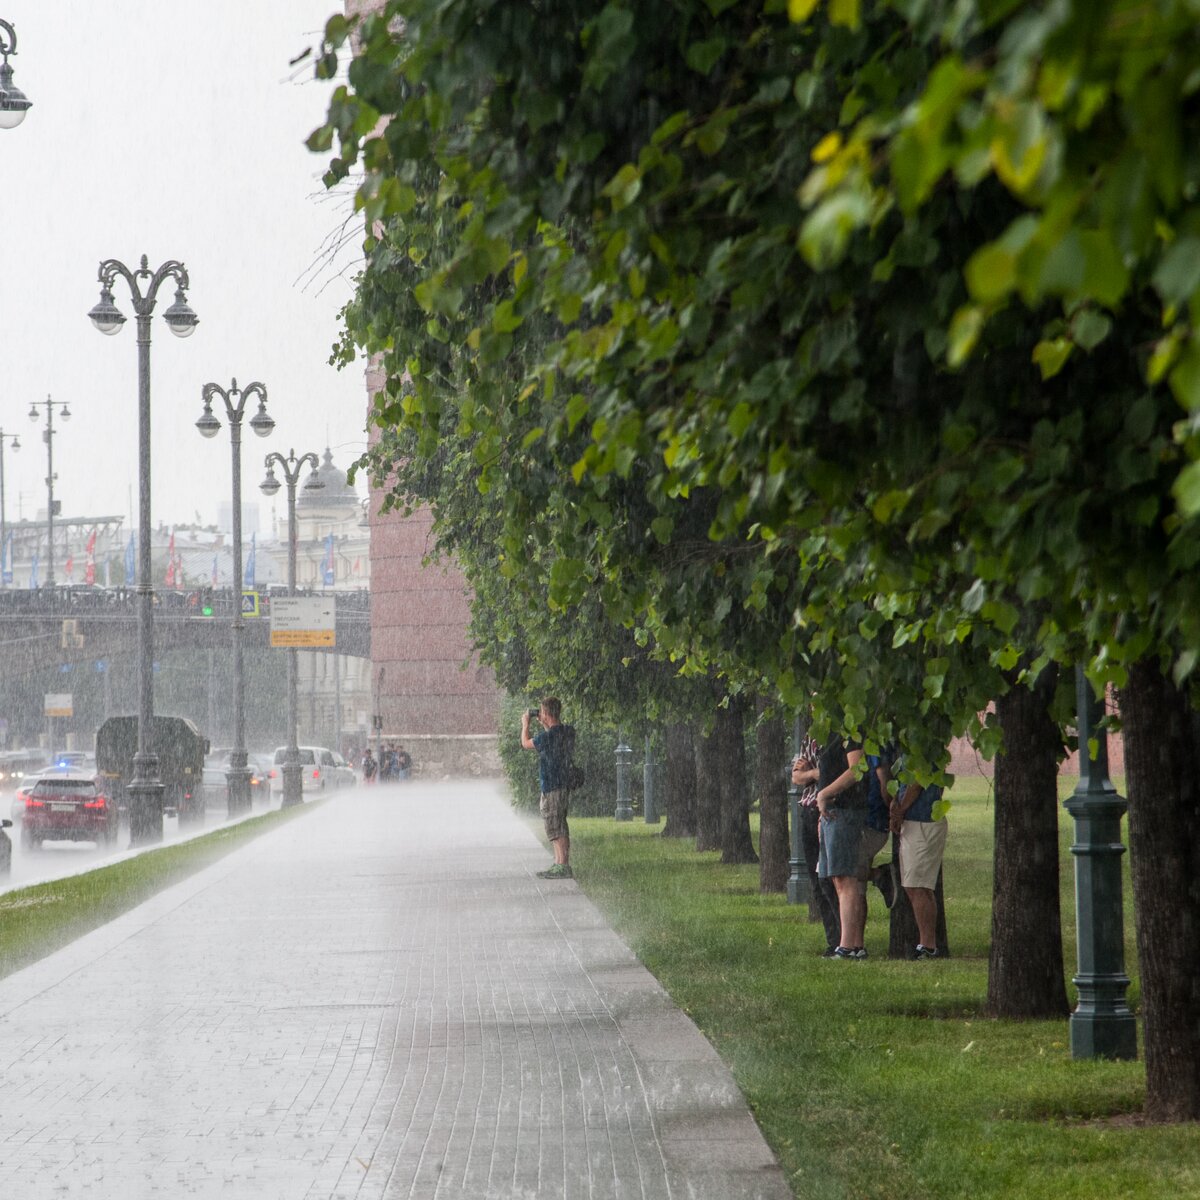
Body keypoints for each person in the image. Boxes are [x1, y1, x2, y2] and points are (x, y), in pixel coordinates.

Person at [814, 731, 868, 959]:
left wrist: (826, 793)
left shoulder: (849, 732)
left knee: (846, 879)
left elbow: (857, 770)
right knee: (837, 879)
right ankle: (854, 945)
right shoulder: (829, 735)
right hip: (830, 814)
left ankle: (847, 946)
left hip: (845, 812)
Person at [890, 772, 948, 958]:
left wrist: (901, 809)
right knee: (913, 884)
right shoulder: (907, 750)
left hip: (924, 821)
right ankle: (927, 944)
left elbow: (917, 783)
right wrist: (896, 802)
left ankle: (928, 945)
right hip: (912, 822)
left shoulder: (926, 749)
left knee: (918, 885)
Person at [791, 742, 841, 956]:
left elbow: (831, 775)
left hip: (829, 812)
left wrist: (810, 773)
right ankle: (833, 940)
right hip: (809, 812)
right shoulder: (811, 738)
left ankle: (845, 938)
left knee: (830, 879)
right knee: (816, 880)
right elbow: (796, 777)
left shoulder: (838, 739)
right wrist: (813, 772)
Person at [521, 697, 575, 879]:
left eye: (542, 712)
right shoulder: (567, 732)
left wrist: (525, 724)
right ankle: (560, 863)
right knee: (560, 823)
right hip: (563, 784)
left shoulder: (548, 737)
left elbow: (526, 743)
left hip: (552, 786)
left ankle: (562, 865)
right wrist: (546, 724)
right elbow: (554, 738)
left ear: (545, 713)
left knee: (554, 824)